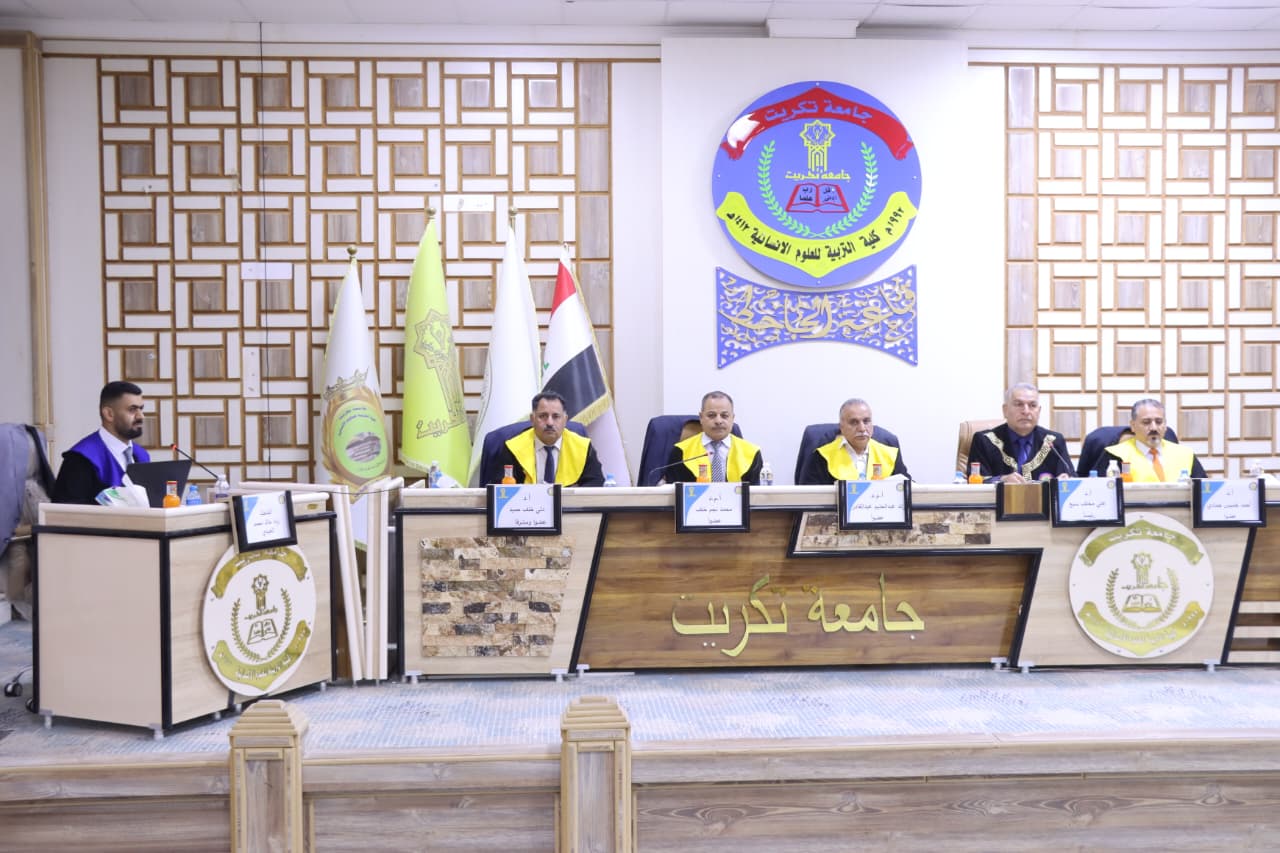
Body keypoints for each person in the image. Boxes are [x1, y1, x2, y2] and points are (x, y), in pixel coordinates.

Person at [52, 380, 151, 504]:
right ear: (109, 414)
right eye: (132, 410)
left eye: (141, 409)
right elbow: (66, 510)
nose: (141, 416)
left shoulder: (141, 455)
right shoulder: (80, 459)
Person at [488, 391, 604, 486]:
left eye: (556, 416)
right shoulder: (513, 448)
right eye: (543, 416)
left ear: (565, 420)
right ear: (532, 419)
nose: (549, 422)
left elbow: (595, 486)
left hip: (568, 507)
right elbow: (501, 491)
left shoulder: (582, 447)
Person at [967, 383, 1073, 483]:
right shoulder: (985, 441)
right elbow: (975, 482)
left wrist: (1066, 480)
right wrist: (1001, 480)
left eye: (1032, 405)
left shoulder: (1053, 442)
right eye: (1019, 404)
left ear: (1039, 411)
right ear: (1005, 410)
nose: (1026, 411)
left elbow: (1070, 477)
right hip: (1001, 497)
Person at [798, 398, 909, 484]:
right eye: (854, 422)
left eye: (866, 421)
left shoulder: (888, 453)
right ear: (841, 427)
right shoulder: (822, 456)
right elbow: (810, 498)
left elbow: (909, 490)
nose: (862, 428)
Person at [665, 391, 763, 484]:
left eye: (724, 415)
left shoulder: (751, 453)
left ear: (732, 418)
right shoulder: (681, 452)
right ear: (701, 417)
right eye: (711, 415)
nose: (718, 421)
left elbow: (756, 493)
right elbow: (674, 492)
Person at [1102, 398, 1206, 482]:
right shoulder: (1116, 455)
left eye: (1159, 422)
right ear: (1133, 426)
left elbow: (1203, 492)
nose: (1154, 428)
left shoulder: (1185, 454)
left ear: (1165, 425)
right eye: (1146, 422)